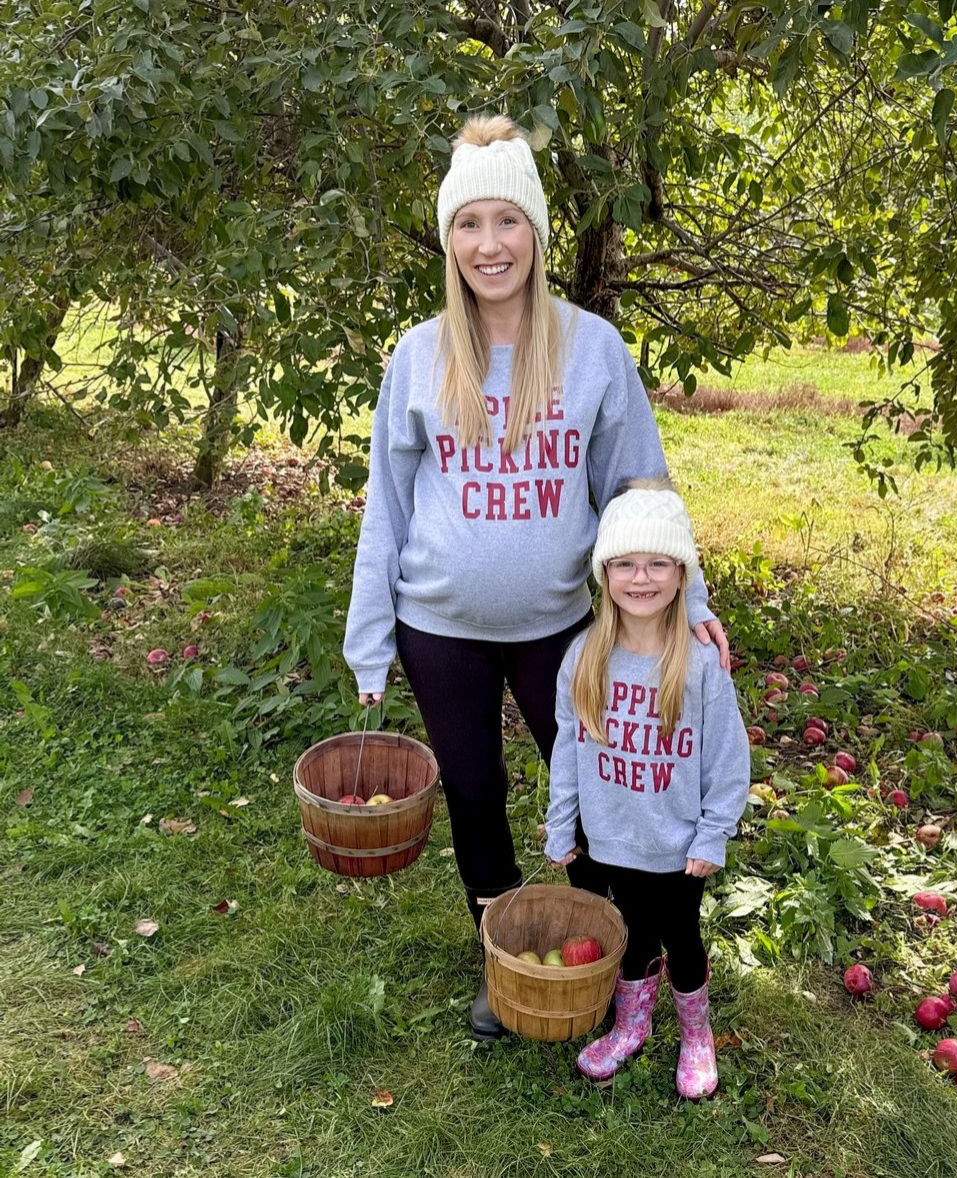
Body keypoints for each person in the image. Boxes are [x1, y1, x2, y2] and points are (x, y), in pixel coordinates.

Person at [343, 113, 728, 1041]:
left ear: (537, 233)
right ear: (450, 241)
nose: (490, 245)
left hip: (562, 626)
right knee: (474, 793)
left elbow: (640, 489)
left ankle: (610, 952)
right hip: (440, 627)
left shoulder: (592, 349)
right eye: (469, 225)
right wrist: (370, 639)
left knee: (592, 785)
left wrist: (691, 600)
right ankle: (503, 952)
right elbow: (386, 505)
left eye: (507, 221)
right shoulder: (419, 356)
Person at [544, 479, 749, 1100]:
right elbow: (568, 749)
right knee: (630, 932)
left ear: (682, 575)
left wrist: (713, 833)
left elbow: (728, 759)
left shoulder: (701, 666)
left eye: (659, 563)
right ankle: (631, 1025)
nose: (641, 578)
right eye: (625, 563)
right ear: (604, 574)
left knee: (681, 937)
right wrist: (562, 822)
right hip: (610, 838)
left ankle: (696, 1034)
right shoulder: (584, 658)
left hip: (677, 844)